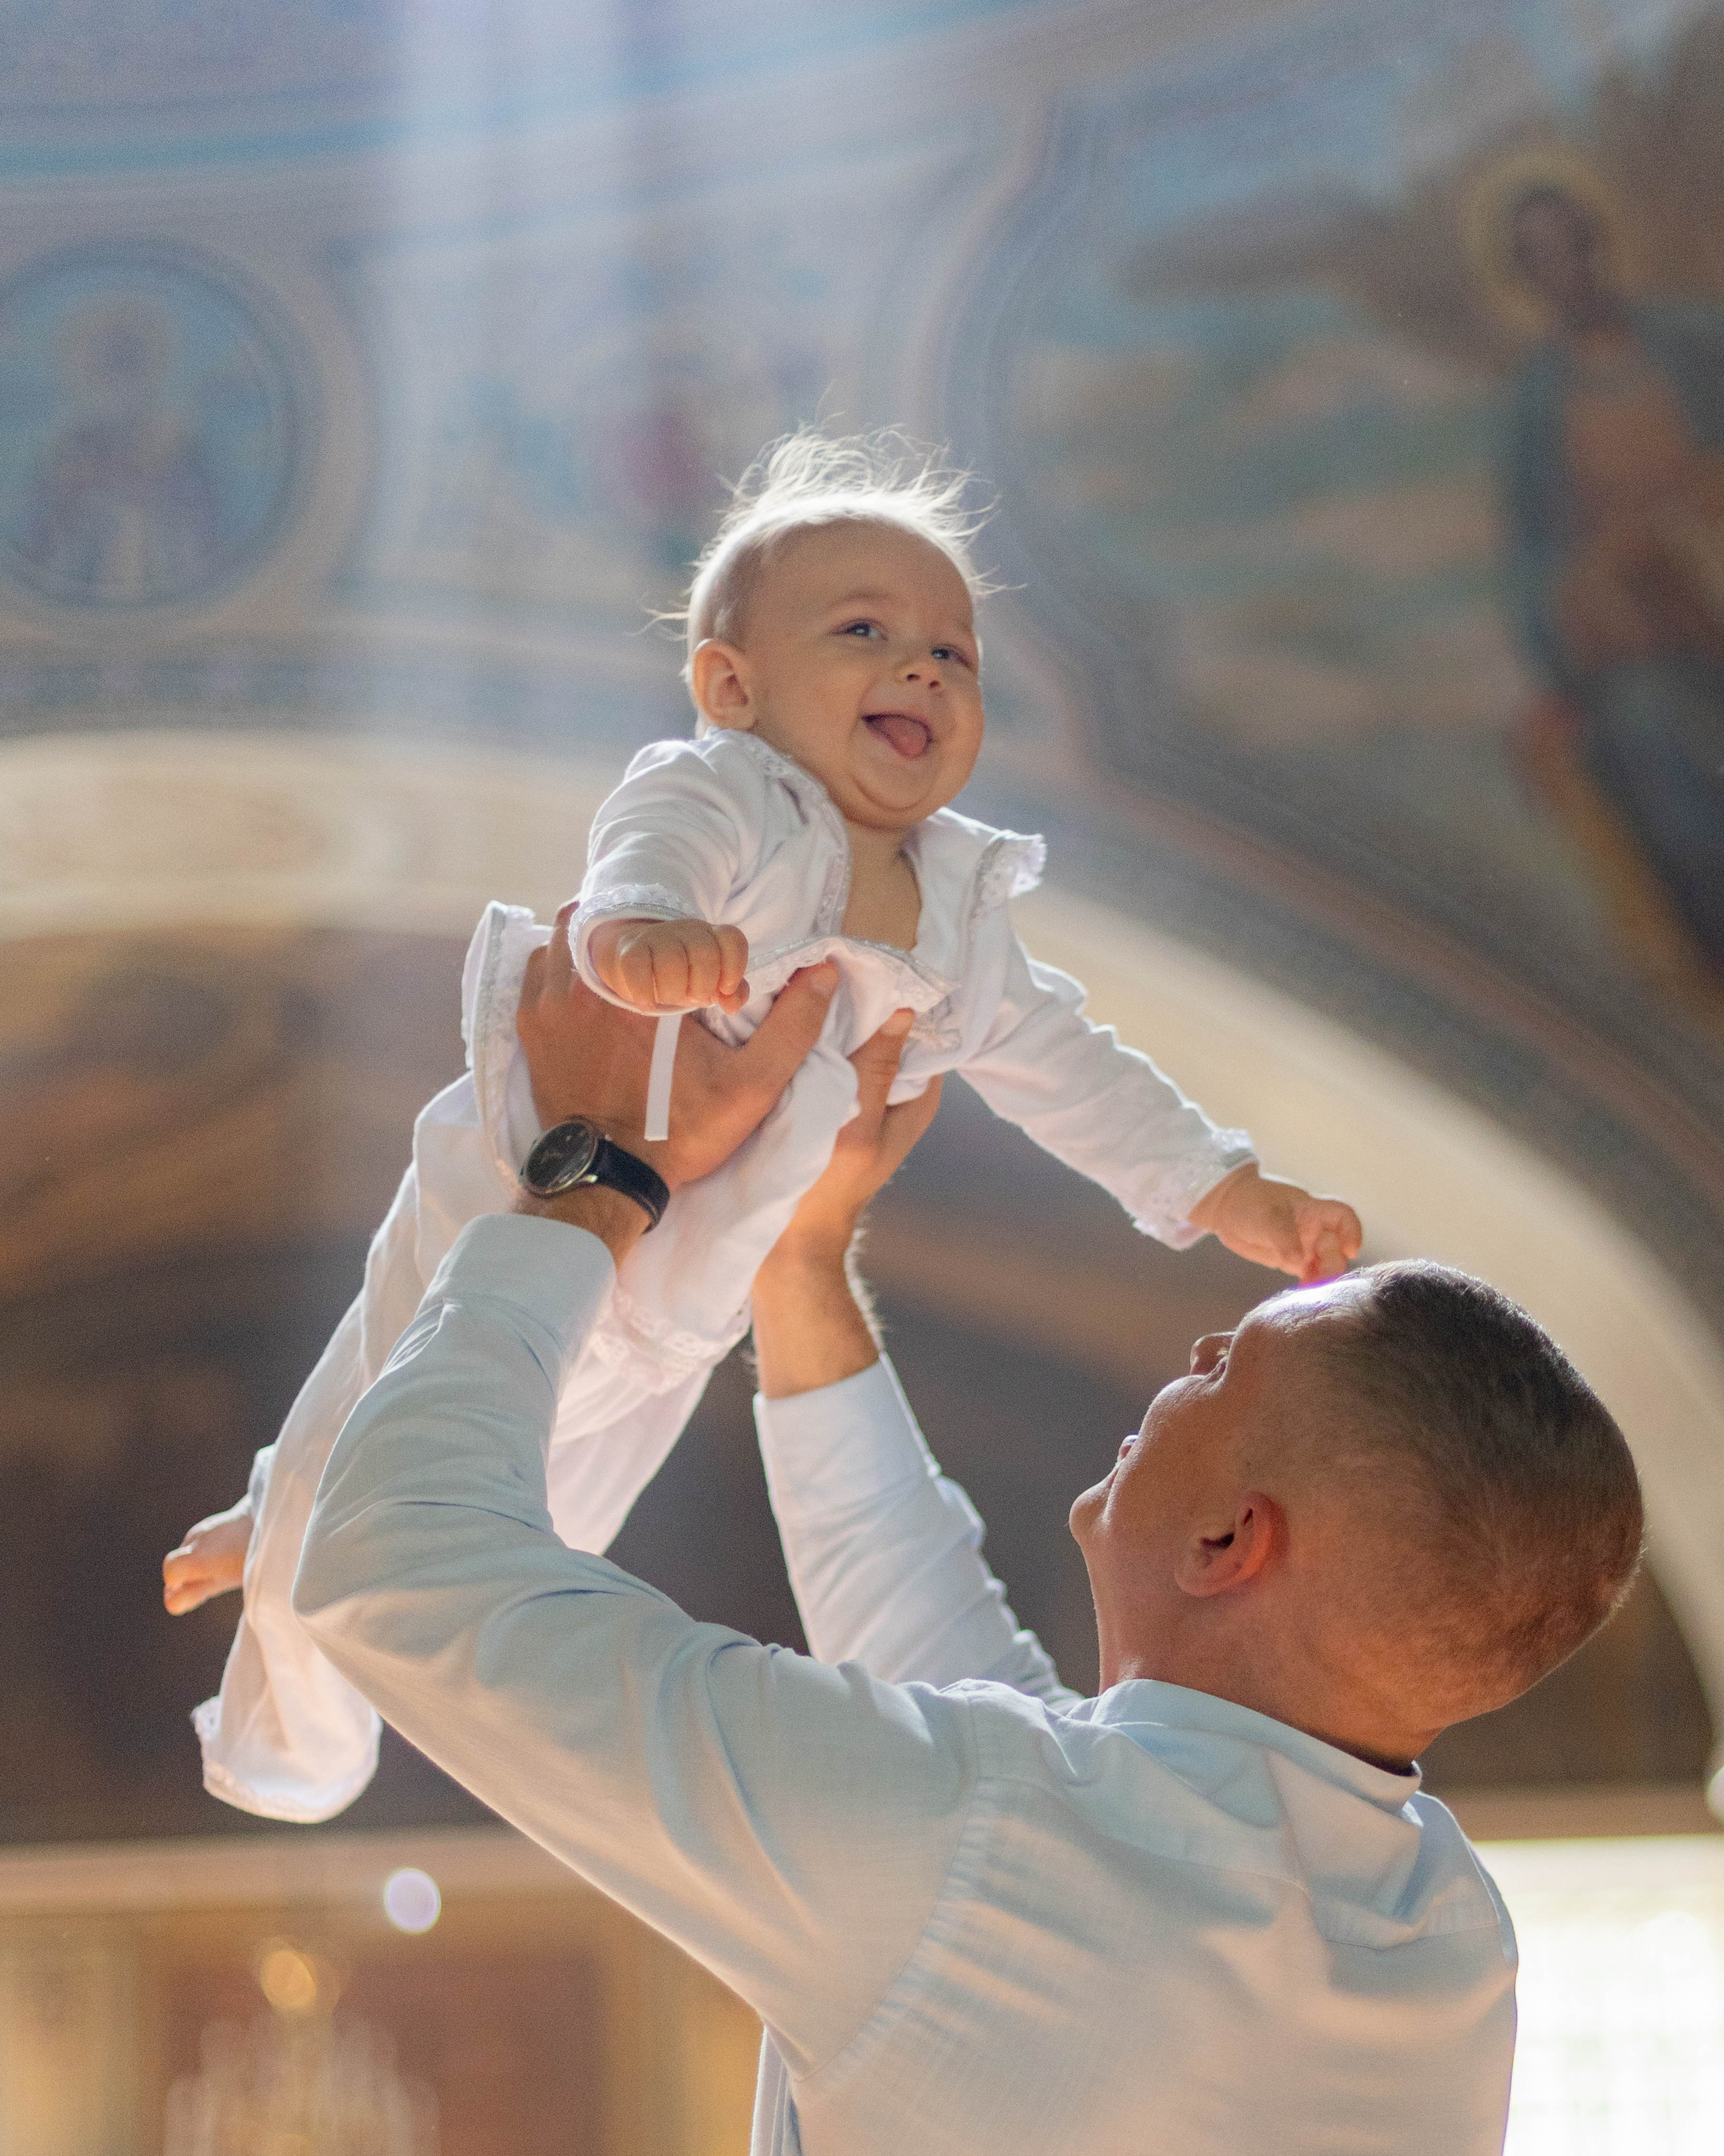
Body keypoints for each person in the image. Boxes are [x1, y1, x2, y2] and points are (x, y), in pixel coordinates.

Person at [289, 919, 1643, 2156]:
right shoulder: (1440, 1930)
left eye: (1220, 1365)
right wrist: (800, 1265)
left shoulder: (1002, 1843)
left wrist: (598, 1164)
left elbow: (397, 1556)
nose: (1181, 1358)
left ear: (1231, 1535)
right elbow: (1000, 1785)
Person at [166, 428, 1360, 1823]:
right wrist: (644, 937)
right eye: (864, 630)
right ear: (731, 687)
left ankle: (299, 1526)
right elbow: (640, 865)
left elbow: (1070, 1067)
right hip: (524, 1189)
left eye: (953, 652)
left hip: (683, 1297)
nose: (920, 665)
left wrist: (1222, 1189)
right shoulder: (728, 794)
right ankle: (282, 1746)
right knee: (388, 1402)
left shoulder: (963, 909)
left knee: (521, 1523)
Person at [1500, 181, 1724, 966]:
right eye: (1542, 260)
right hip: (1653, 632)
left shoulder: (1692, 341)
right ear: (1527, 280)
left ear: (1601, 246)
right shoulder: (1538, 404)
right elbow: (1536, 561)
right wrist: (1575, 621)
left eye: (1575, 247)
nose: (1568, 270)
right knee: (1647, 724)